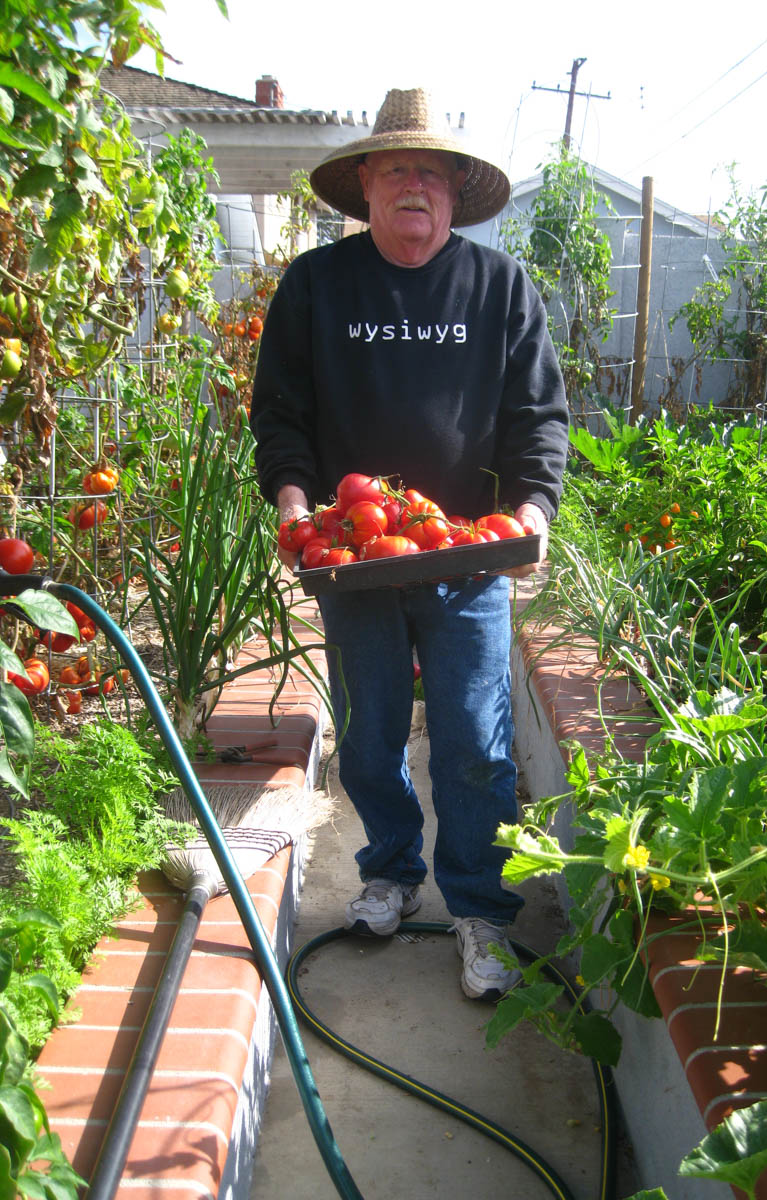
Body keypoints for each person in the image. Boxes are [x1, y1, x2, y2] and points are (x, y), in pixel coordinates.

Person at [250, 87, 568, 1001]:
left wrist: (533, 514)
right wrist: (295, 507)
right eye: (398, 170)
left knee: (476, 739)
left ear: (456, 192)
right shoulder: (317, 286)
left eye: (434, 171)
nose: (417, 187)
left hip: (466, 553)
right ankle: (390, 869)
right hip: (354, 552)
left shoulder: (498, 287)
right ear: (366, 184)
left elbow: (539, 419)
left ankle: (480, 909)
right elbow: (282, 414)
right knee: (368, 729)